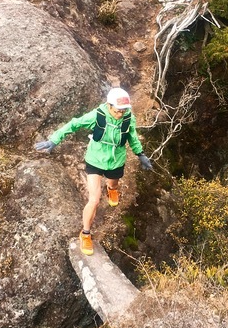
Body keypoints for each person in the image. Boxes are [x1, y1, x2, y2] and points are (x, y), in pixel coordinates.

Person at [35, 87, 152, 256]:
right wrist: (55, 139)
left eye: (123, 111)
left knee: (113, 183)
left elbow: (132, 137)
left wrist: (141, 154)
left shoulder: (128, 118)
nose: (120, 114)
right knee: (94, 200)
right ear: (109, 105)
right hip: (95, 160)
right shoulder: (98, 116)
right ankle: (86, 234)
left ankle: (112, 189)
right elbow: (74, 124)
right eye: (118, 111)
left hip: (116, 161)